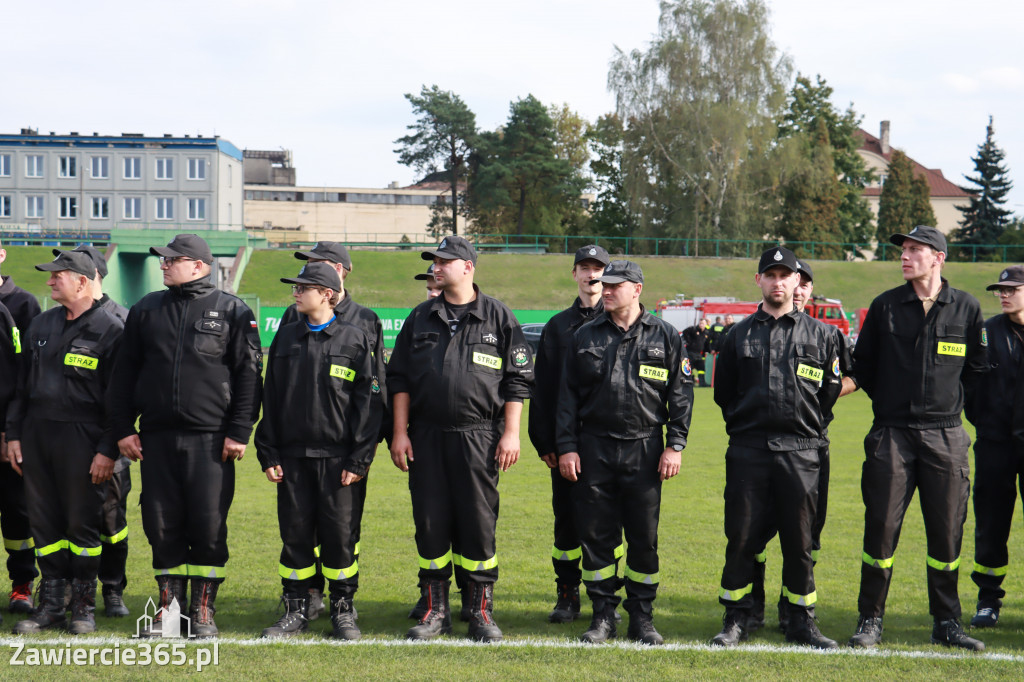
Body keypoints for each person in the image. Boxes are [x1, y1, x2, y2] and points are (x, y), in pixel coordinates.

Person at [107, 234, 263, 638]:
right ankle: (170, 614)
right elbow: (123, 375)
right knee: (161, 525)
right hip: (156, 440)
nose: (162, 265)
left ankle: (204, 611)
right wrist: (124, 428)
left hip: (212, 441)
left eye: (171, 260)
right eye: (162, 260)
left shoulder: (232, 310)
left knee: (208, 525)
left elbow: (249, 377)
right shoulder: (145, 310)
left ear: (198, 265)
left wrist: (239, 431)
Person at [388, 235, 534, 642]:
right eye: (434, 261)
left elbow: (518, 381)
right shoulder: (420, 317)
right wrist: (399, 433)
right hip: (427, 437)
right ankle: (435, 611)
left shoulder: (498, 317)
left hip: (480, 437)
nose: (436, 266)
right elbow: (398, 379)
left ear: (467, 266)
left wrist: (510, 434)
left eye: (444, 261)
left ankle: (481, 611)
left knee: (478, 523)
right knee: (430, 523)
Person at [849, 225, 986, 651]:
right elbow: (863, 368)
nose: (905, 256)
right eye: (903, 250)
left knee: (947, 534)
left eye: (914, 250)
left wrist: (956, 418)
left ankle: (946, 622)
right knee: (880, 532)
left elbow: (978, 373)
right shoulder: (885, 306)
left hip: (946, 437)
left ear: (938, 257)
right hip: (892, 435)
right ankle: (870, 619)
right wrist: (886, 405)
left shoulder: (966, 308)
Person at [711, 246, 842, 650]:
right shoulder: (738, 334)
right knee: (743, 538)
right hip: (749, 449)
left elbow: (830, 391)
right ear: (759, 281)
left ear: (797, 282)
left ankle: (802, 621)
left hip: (801, 451)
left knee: (800, 541)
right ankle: (737, 618)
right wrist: (748, 426)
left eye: (786, 275)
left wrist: (802, 427)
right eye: (771, 274)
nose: (778, 281)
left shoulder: (823, 335)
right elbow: (723, 393)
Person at [556, 259, 693, 646]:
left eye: (616, 284)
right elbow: (566, 399)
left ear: (637, 289)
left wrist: (675, 445)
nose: (607, 289)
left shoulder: (666, 336)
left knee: (643, 538)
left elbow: (680, 397)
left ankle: (642, 617)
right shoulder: (584, 336)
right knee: (597, 536)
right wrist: (567, 447)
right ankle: (603, 615)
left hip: (645, 447)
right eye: (605, 283)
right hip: (594, 447)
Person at [257, 263, 382, 640]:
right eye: (295, 288)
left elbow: (369, 405)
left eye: (303, 287)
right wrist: (269, 453)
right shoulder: (286, 338)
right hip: (293, 460)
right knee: (295, 536)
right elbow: (272, 398)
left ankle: (343, 610)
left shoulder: (354, 339)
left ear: (327, 293)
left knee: (339, 537)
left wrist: (359, 459)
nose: (295, 293)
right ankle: (295, 609)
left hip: (339, 462)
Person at [6, 250, 123, 634]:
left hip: (84, 439)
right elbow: (22, 388)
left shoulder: (111, 329)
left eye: (58, 275)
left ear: (82, 281)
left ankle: (82, 606)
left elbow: (119, 401)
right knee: (44, 525)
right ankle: (51, 605)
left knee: (82, 527)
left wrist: (107, 448)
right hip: (39, 436)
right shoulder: (40, 324)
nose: (50, 280)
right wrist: (15, 435)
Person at [747, 259, 856, 634]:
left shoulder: (826, 335)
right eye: (796, 283)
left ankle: (792, 609)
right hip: (761, 445)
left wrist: (813, 401)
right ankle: (753, 604)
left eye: (805, 284)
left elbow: (850, 376)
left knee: (805, 534)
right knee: (755, 531)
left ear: (807, 289)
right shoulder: (756, 330)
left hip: (811, 444)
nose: (798, 290)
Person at [528, 244, 610, 624]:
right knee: (567, 523)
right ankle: (567, 594)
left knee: (606, 523)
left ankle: (604, 599)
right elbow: (541, 388)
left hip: (608, 441)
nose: (591, 274)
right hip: (565, 443)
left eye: (598, 268)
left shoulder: (620, 320)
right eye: (584, 267)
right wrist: (545, 442)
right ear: (573, 274)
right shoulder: (558, 326)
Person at [70, 245, 132, 618]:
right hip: (66, 446)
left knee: (112, 524)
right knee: (69, 522)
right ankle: (71, 592)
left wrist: (112, 445)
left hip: (108, 447)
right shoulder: (58, 318)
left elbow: (126, 393)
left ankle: (112, 590)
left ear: (91, 274)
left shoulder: (121, 320)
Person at [966, 265, 1024, 629]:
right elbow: (970, 388)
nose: (1003, 294)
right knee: (991, 524)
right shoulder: (986, 333)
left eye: (1011, 289)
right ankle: (988, 599)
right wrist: (987, 426)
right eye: (999, 290)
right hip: (995, 445)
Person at [0, 241, 41, 614]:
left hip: (8, 436)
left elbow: (27, 376)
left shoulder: (24, 305)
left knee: (17, 514)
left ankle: (22, 586)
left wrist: (11, 431)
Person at [682, 319, 712, 387]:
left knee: (701, 368)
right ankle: (690, 383)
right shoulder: (694, 329)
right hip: (690, 352)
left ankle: (702, 383)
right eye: (700, 323)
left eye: (703, 323)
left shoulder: (706, 333)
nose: (701, 325)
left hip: (699, 354)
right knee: (690, 368)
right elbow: (685, 332)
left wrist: (710, 350)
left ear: (706, 324)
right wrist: (689, 341)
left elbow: (707, 344)